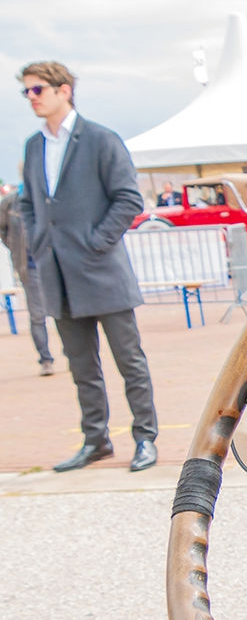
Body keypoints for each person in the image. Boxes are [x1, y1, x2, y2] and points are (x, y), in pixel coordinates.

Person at [18, 61, 157, 472]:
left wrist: (96, 243)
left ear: (64, 90)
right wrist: (40, 240)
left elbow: (128, 199)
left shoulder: (100, 139)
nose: (32, 98)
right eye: (26, 91)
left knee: (129, 361)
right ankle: (96, 440)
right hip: (57, 276)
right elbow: (30, 202)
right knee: (81, 366)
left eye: (38, 89)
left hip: (102, 272)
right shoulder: (33, 145)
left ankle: (145, 439)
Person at [0, 177, 55, 375]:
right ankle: (45, 358)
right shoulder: (10, 202)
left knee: (66, 310)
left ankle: (74, 354)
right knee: (37, 314)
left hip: (55, 262)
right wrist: (15, 248)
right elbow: (3, 228)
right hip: (29, 265)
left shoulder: (50, 196)